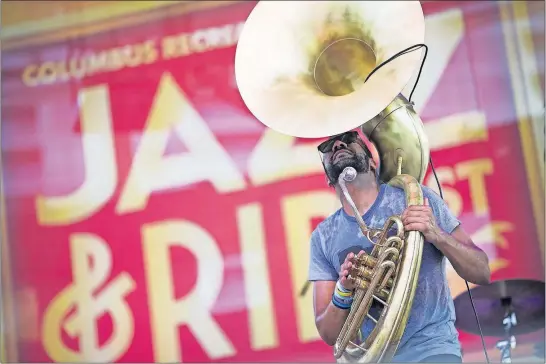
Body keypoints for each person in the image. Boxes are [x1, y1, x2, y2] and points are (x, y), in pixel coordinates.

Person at [308, 130, 491, 363]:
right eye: (327, 146)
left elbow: (482, 271)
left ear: (372, 163)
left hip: (433, 349)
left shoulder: (418, 198)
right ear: (327, 177)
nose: (337, 145)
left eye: (349, 139)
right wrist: (344, 289)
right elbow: (328, 334)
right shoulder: (322, 237)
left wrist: (437, 234)